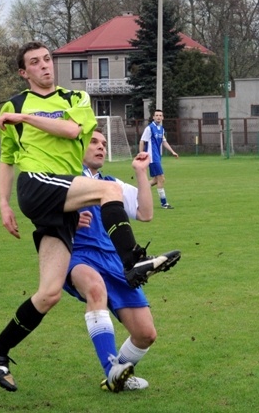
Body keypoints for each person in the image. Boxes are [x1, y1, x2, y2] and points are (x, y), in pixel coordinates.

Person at [0, 41, 180, 392]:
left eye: (47, 60)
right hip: (38, 184)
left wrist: (25, 118)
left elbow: (73, 132)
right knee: (108, 191)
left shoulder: (75, 100)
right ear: (23, 72)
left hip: (61, 197)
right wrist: (2, 203)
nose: (44, 66)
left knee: (49, 293)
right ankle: (134, 261)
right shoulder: (12, 105)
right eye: (34, 63)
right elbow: (8, 159)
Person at [64, 130, 161, 392]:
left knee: (146, 334)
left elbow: (146, 213)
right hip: (79, 254)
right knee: (95, 289)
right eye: (93, 142)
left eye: (104, 143)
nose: (101, 147)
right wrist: (69, 219)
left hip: (115, 260)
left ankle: (118, 375)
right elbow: (39, 209)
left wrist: (141, 172)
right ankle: (112, 371)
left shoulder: (110, 183)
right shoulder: (65, 179)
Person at [139, 109, 179, 209]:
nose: (158, 117)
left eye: (160, 115)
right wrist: (141, 154)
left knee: (156, 180)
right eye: (156, 115)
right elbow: (142, 141)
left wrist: (172, 151)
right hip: (152, 157)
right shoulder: (149, 128)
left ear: (162, 117)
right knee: (161, 178)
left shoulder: (161, 129)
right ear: (153, 117)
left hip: (157, 157)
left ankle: (137, 192)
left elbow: (164, 142)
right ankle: (164, 203)